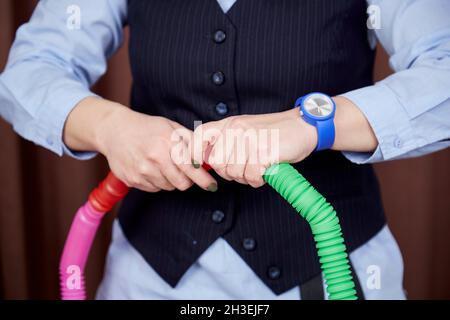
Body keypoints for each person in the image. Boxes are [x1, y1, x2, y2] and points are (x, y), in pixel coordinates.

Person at [1, 0, 449, 300]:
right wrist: (109, 126)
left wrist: (312, 124)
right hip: (151, 275)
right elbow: (32, 68)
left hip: (328, 271)